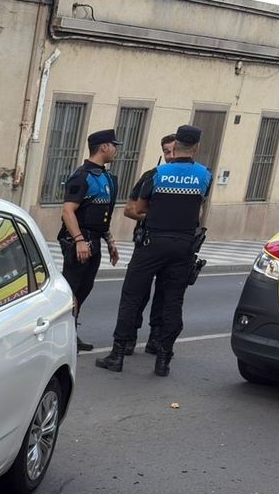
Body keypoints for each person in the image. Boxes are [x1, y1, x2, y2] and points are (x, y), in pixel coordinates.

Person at [96, 125, 211, 377]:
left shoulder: (157, 173)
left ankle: (117, 354)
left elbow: (139, 206)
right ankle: (163, 360)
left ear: (176, 144)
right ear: (197, 147)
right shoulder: (204, 175)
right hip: (183, 246)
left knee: (132, 296)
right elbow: (200, 205)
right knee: (173, 301)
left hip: (152, 243)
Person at [57, 129, 121, 351]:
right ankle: (62, 336)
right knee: (71, 290)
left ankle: (71, 331)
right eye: (114, 145)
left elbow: (101, 216)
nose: (116, 150)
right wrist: (79, 240)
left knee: (84, 289)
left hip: (95, 240)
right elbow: (67, 211)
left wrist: (110, 241)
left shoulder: (106, 178)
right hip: (80, 242)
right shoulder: (82, 176)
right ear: (103, 147)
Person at [124, 134, 179, 354]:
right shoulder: (152, 175)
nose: (170, 156)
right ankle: (127, 339)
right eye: (166, 151)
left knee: (166, 295)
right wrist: (154, 219)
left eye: (174, 150)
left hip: (175, 246)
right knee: (137, 292)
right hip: (147, 242)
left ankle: (156, 338)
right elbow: (130, 209)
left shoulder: (193, 178)